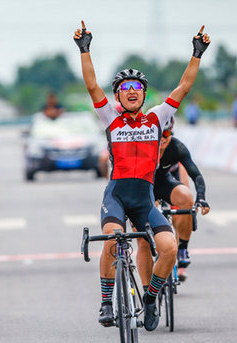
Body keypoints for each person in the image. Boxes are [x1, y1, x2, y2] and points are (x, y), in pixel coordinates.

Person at [73, 20, 210, 331]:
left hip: (145, 198)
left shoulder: (158, 118)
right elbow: (92, 85)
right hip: (118, 195)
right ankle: (107, 301)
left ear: (144, 94)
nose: (132, 92)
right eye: (125, 89)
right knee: (111, 241)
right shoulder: (109, 117)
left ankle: (150, 298)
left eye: (137, 89)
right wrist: (85, 50)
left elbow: (184, 87)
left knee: (170, 248)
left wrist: (196, 54)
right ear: (118, 96)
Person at [136, 117, 210, 284]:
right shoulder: (141, 146)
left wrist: (201, 198)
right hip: (145, 187)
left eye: (167, 133)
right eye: (158, 134)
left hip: (164, 183)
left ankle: (182, 248)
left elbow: (195, 174)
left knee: (186, 196)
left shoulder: (176, 146)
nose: (162, 138)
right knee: (145, 228)